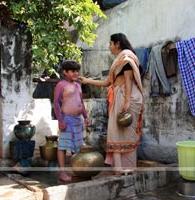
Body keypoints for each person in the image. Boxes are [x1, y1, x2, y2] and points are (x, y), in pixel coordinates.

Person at [78, 33, 144, 174]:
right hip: (121, 97)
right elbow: (107, 83)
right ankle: (119, 169)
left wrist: (126, 102)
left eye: (110, 44)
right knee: (116, 133)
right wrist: (87, 81)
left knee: (125, 133)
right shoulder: (119, 61)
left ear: (117, 44)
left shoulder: (126, 59)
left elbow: (128, 80)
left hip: (127, 98)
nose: (109, 47)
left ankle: (128, 168)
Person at [54, 60, 90, 183]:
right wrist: (60, 120)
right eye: (73, 71)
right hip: (67, 119)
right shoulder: (61, 85)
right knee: (63, 146)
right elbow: (56, 104)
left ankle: (77, 171)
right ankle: (62, 173)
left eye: (77, 71)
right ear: (65, 72)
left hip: (78, 119)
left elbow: (81, 103)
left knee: (78, 146)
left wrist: (85, 117)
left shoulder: (78, 85)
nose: (76, 73)